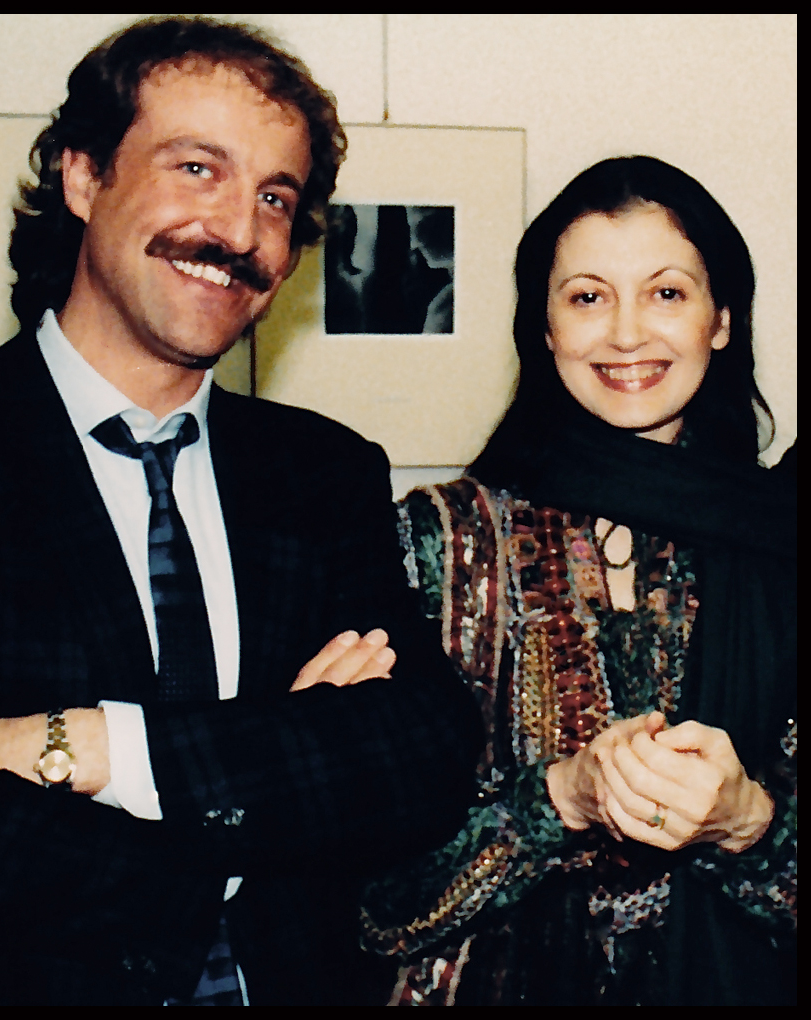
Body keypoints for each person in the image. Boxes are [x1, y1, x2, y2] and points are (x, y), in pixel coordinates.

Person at [0, 18, 479, 1007]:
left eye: (275, 196)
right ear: (83, 177)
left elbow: (422, 757)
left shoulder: (323, 472)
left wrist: (93, 747)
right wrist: (276, 772)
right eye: (197, 168)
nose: (239, 231)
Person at [359, 156, 796, 1006]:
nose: (627, 334)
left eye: (666, 293)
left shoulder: (781, 540)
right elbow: (375, 907)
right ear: (545, 327)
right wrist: (560, 797)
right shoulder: (435, 541)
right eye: (589, 296)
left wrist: (748, 821)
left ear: (720, 321)